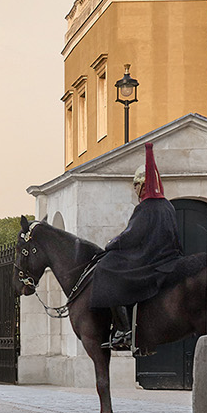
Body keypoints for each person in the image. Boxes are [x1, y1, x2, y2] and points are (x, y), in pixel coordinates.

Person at [86, 137, 187, 351]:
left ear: (143, 185)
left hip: (151, 262)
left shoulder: (146, 207)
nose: (135, 189)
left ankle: (124, 329)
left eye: (136, 185)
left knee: (106, 269)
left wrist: (111, 244)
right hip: (169, 258)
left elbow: (131, 237)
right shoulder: (167, 206)